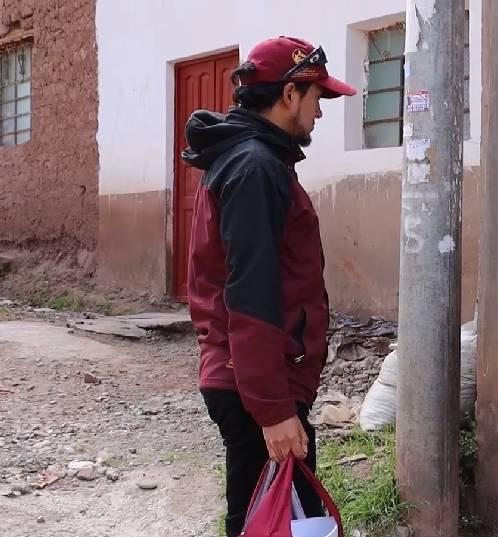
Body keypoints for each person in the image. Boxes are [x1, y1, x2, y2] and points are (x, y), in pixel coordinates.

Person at [180, 36, 355, 537]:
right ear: (289, 94)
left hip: (258, 382)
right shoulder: (255, 167)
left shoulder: (255, 161)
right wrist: (275, 412)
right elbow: (250, 296)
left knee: (272, 521)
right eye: (318, 97)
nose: (320, 113)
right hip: (256, 385)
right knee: (270, 523)